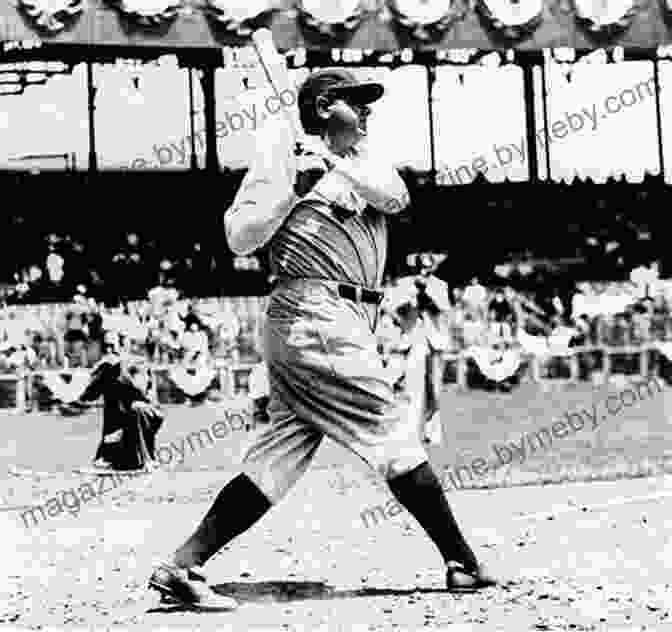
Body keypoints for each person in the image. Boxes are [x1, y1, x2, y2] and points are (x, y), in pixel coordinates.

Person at [147, 68, 498, 610]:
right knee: (393, 436)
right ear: (327, 105)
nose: (368, 113)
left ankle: (184, 564)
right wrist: (291, 192)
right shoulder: (280, 156)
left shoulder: (357, 161)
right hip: (314, 312)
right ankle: (462, 561)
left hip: (344, 317)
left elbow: (396, 198)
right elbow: (238, 237)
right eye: (358, 103)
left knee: (276, 460)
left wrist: (331, 167)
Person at [77, 332, 163, 473]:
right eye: (105, 347)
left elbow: (141, 393)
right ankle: (109, 454)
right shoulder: (107, 370)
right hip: (123, 423)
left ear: (124, 346)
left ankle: (147, 459)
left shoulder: (138, 363)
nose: (109, 351)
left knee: (136, 408)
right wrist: (95, 374)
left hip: (147, 415)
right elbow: (88, 396)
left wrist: (121, 367)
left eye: (112, 346)